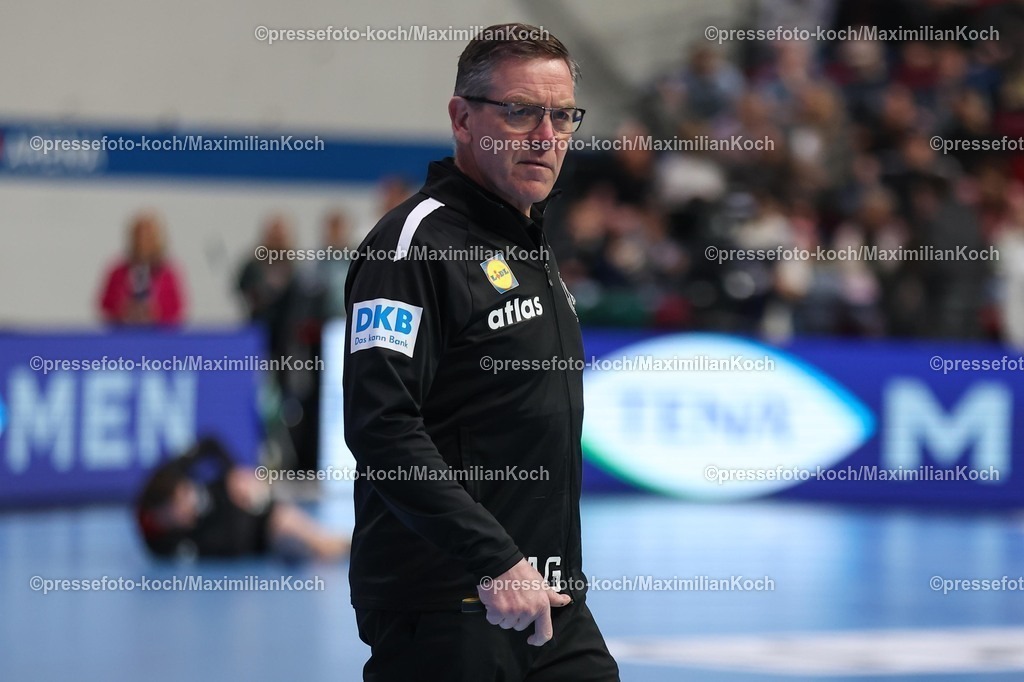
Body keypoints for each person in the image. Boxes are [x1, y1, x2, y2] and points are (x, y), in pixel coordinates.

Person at [343, 23, 619, 681]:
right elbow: (382, 428)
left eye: (563, 116)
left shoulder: (528, 244)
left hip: (550, 602)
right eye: (521, 112)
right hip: (449, 605)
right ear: (462, 119)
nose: (546, 137)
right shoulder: (410, 247)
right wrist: (494, 558)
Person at [135, 436, 348, 560]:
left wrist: (233, 474)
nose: (189, 503)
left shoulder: (169, 476)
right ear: (164, 515)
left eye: (185, 494)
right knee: (302, 536)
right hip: (258, 530)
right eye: (180, 506)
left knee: (316, 540)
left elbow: (210, 443)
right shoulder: (172, 545)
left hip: (255, 500)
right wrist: (253, 507)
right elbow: (236, 544)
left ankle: (342, 545)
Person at [98, 210, 186, 325]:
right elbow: (106, 304)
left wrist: (156, 312)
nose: (143, 240)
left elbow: (176, 307)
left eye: (148, 235)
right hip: (124, 334)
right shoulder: (119, 272)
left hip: (159, 336)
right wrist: (123, 309)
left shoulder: (167, 273)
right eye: (139, 235)